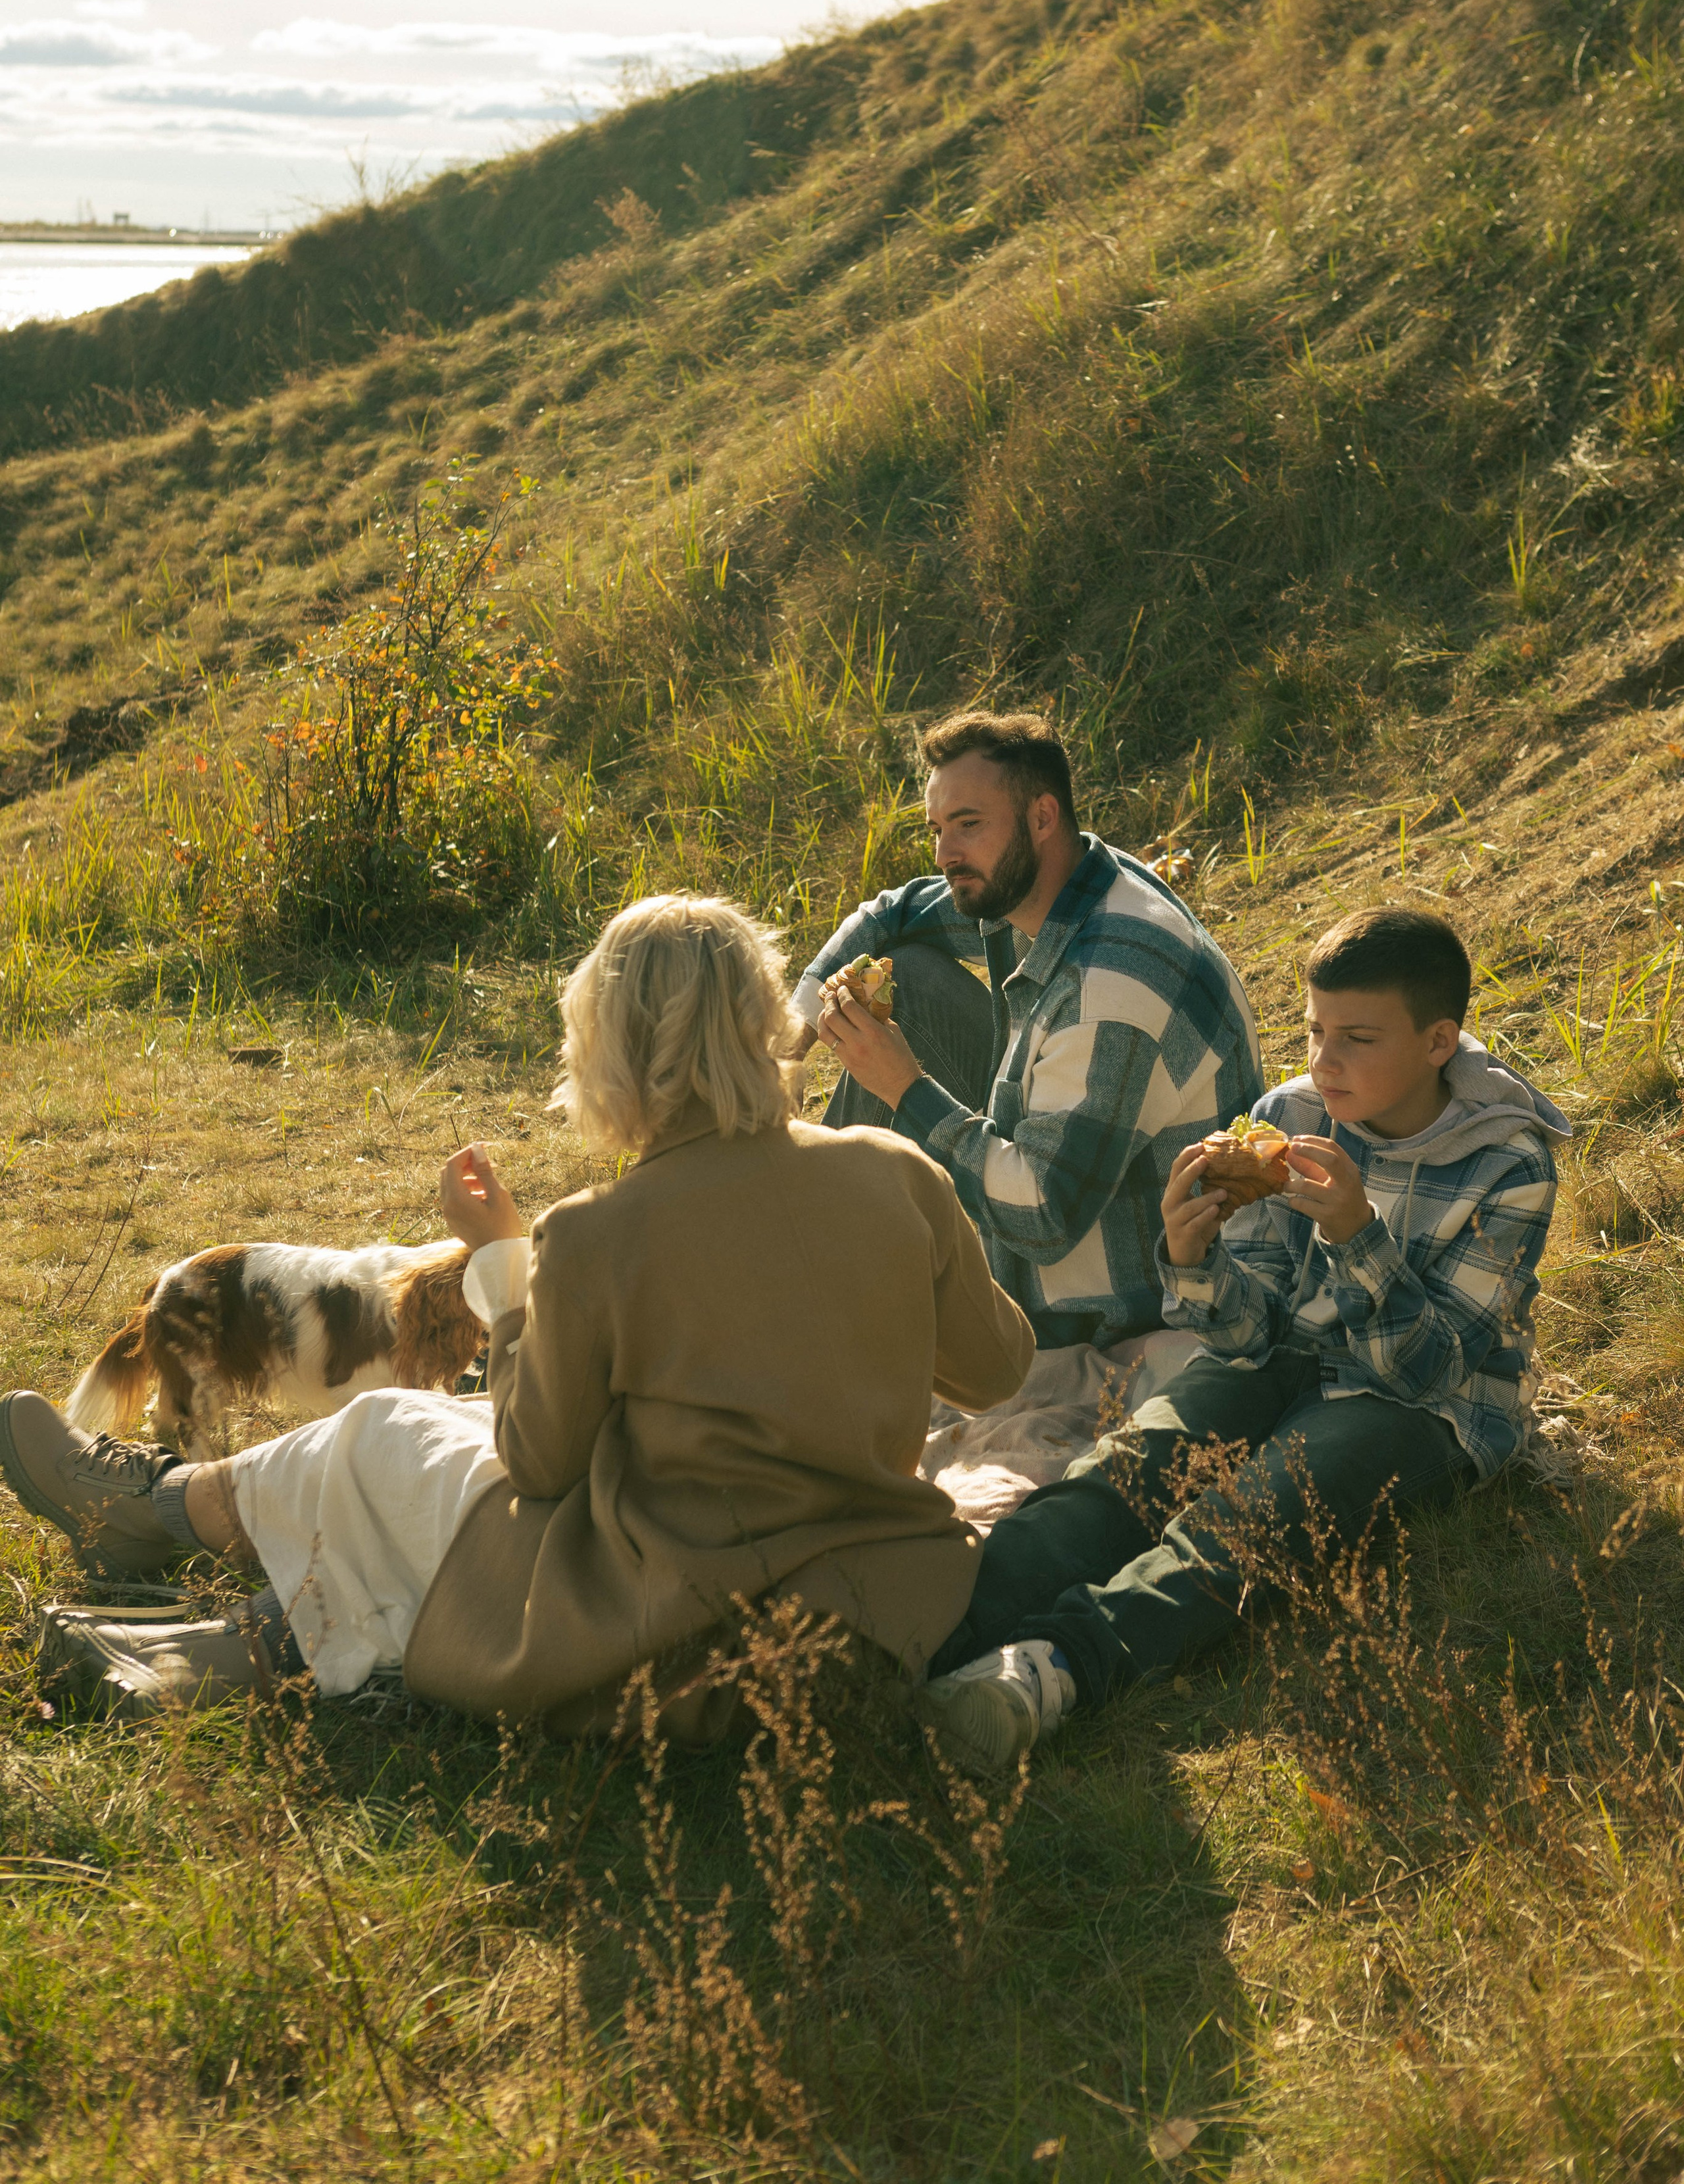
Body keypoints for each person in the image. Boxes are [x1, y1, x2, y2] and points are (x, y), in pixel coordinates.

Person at [3, 895, 1035, 1730]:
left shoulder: (600, 1232)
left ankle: (156, 1527)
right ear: (769, 1022)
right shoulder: (896, 1171)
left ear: (613, 1053)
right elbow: (996, 1371)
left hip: (674, 1620)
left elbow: (540, 1460)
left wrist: (503, 1264)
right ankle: (178, 1630)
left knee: (384, 1435)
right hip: (864, 1597)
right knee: (412, 1432)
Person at [918, 905, 1571, 1775]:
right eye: (1313, 1030)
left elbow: (1428, 1372)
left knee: (1251, 1516)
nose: (1323, 1062)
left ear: (1438, 1041)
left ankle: (1050, 1670)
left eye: (1358, 1039)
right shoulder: (1287, 1114)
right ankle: (924, 1634)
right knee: (1126, 1469)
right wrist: (1191, 1260)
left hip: (1426, 1408)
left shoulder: (1508, 1163)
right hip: (1283, 1358)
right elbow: (1248, 1330)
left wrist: (1354, 1234)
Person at [796, 711, 1263, 1387]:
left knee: (888, 1133)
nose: (943, 854)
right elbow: (888, 916)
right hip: (1067, 1160)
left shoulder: (1114, 983)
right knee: (912, 971)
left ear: (1042, 817)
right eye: (937, 829)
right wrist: (794, 1039)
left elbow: (1046, 1217)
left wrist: (906, 1088)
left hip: (1119, 1287)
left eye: (968, 824)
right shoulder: (1060, 878)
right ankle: (803, 1245)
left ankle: (799, 1276)